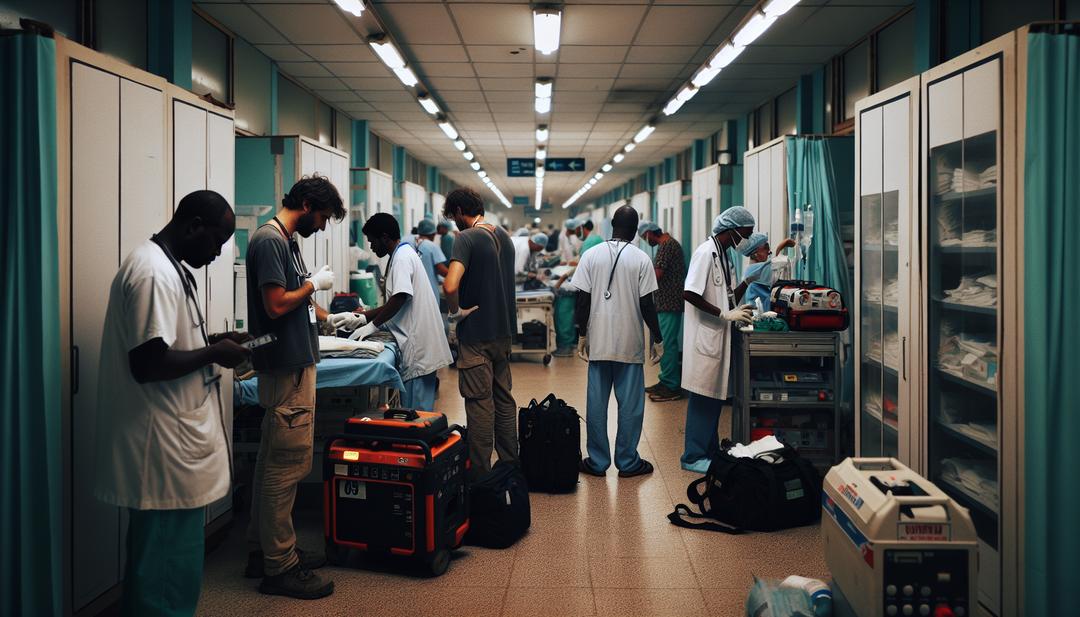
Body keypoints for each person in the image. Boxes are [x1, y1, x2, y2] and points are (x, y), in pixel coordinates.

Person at [93, 190, 251, 616]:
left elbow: (170, 342)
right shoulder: (153, 274)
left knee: (162, 562)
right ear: (193, 225)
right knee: (163, 570)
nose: (219, 252)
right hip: (159, 447)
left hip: (171, 444)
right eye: (218, 240)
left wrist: (214, 341)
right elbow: (148, 362)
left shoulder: (167, 267)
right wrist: (214, 354)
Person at [244, 175, 350, 599]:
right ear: (307, 204)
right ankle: (280, 565)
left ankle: (263, 550)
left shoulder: (285, 241)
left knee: (274, 461)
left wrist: (328, 317)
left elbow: (296, 298)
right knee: (286, 467)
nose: (322, 226)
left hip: (294, 360)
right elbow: (274, 304)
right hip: (285, 368)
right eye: (322, 217)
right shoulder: (269, 240)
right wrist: (312, 286)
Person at [572, 206, 664, 478]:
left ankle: (597, 463)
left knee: (597, 405)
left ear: (611, 224)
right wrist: (657, 337)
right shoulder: (641, 258)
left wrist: (582, 334)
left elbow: (582, 300)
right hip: (629, 343)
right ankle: (628, 462)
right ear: (637, 230)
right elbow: (648, 303)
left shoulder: (590, 255)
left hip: (598, 342)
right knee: (631, 407)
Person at [441, 188, 518, 481]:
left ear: (460, 211)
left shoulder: (467, 238)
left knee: (479, 402)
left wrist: (455, 312)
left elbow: (450, 285)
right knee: (504, 398)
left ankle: (482, 475)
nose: (454, 223)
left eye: (454, 217)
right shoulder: (504, 237)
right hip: (504, 333)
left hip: (476, 336)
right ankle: (511, 464)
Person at [680, 207, 757, 473]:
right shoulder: (705, 253)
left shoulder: (723, 256)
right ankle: (692, 456)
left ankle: (709, 451)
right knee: (703, 399)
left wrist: (747, 282)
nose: (745, 240)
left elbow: (728, 296)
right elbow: (689, 293)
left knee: (712, 400)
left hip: (718, 337)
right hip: (705, 339)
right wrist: (724, 313)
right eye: (745, 234)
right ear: (731, 230)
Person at [351, 213, 453, 410]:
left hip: (418, 350)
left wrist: (372, 326)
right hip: (421, 345)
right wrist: (360, 317)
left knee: (415, 416)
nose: (371, 247)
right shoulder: (401, 254)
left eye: (372, 241)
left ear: (385, 237)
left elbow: (399, 298)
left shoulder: (402, 258)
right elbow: (395, 301)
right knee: (417, 413)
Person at [637, 221, 687, 403]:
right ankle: (665, 380)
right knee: (666, 342)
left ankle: (671, 386)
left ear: (650, 233)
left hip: (669, 303)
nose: (645, 241)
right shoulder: (667, 244)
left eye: (644, 237)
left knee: (667, 344)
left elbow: (656, 274)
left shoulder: (667, 246)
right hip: (666, 302)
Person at [734, 232, 796, 311]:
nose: (769, 251)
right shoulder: (754, 269)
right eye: (766, 247)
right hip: (758, 315)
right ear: (755, 252)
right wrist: (781, 246)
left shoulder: (752, 268)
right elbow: (778, 264)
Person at [412, 218, 449, 300]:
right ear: (433, 234)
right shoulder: (431, 246)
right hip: (429, 293)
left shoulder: (412, 244)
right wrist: (455, 275)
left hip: (415, 291)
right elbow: (440, 270)